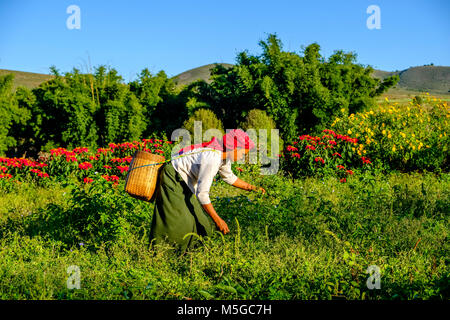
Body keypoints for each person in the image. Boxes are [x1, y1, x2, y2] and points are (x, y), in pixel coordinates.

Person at [149, 129, 266, 252]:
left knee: (203, 223)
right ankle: (161, 252)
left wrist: (252, 188)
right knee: (179, 220)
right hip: (173, 178)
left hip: (185, 183)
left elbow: (229, 177)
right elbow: (202, 194)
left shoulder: (223, 157)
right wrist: (218, 220)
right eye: (243, 152)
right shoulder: (212, 158)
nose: (244, 156)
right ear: (234, 148)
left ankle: (189, 254)